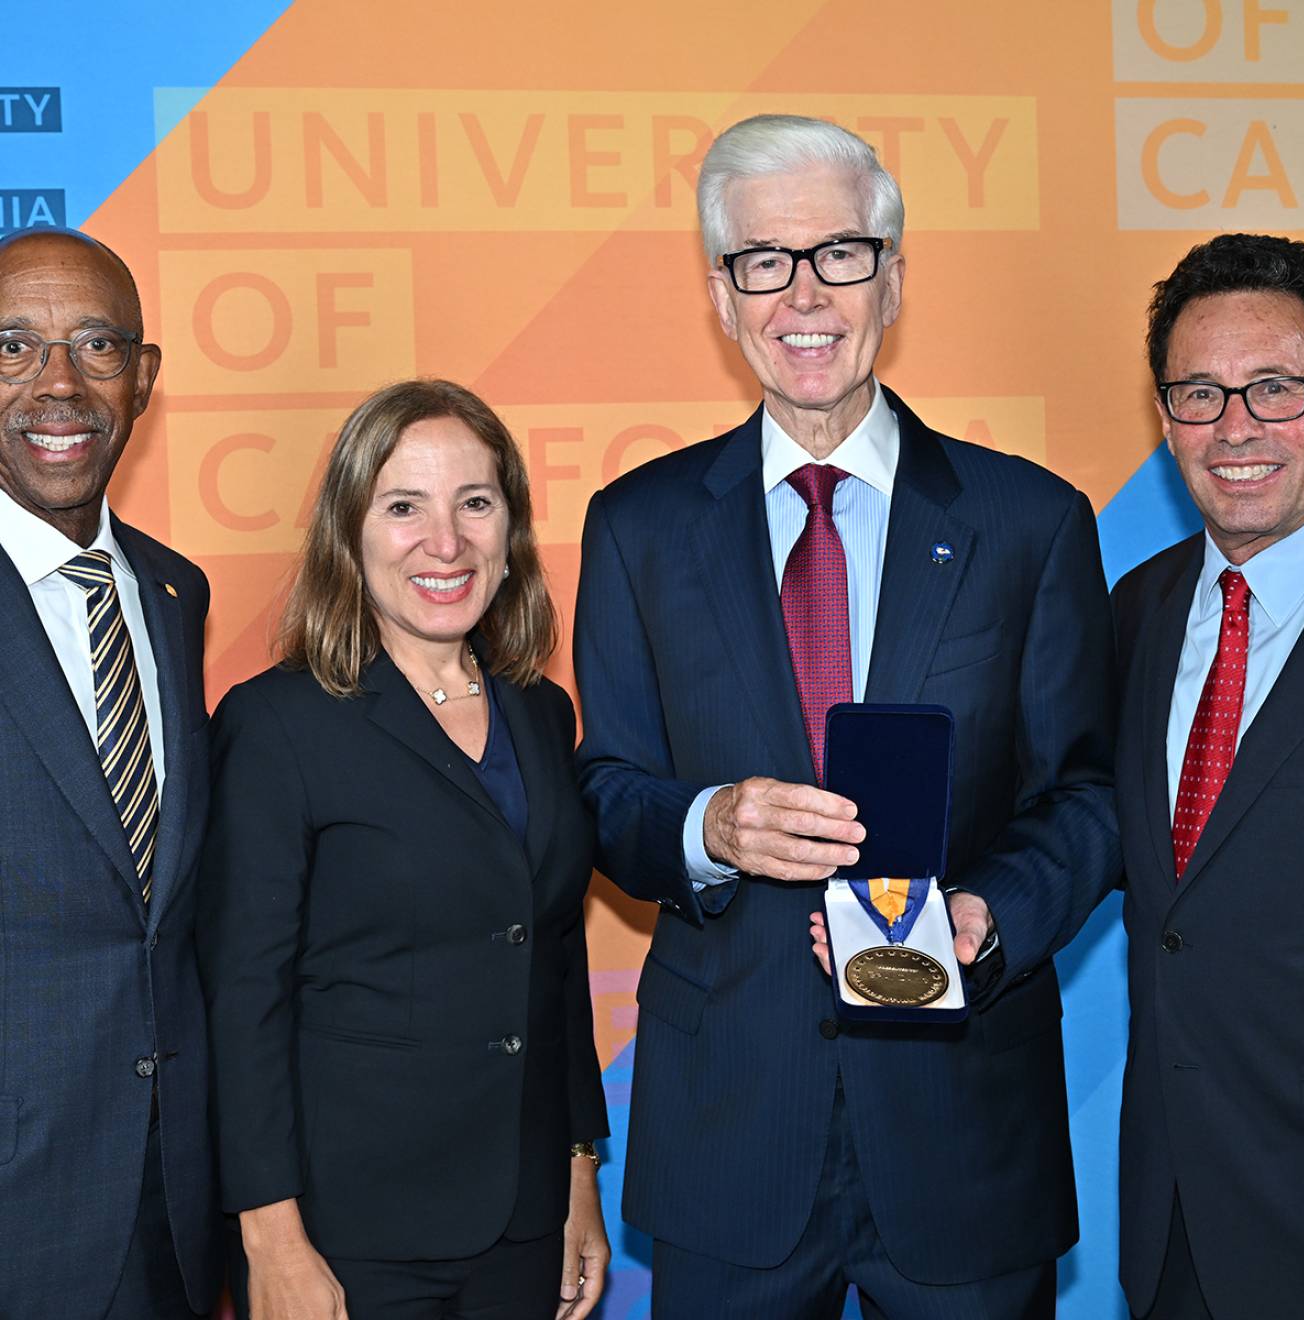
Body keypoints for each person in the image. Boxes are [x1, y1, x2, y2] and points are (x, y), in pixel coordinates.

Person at [573, 113, 1120, 1318]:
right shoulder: (638, 527)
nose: (803, 294)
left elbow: (1086, 794)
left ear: (896, 277)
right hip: (733, 1141)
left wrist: (990, 915)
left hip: (965, 1136)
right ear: (723, 296)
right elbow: (606, 794)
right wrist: (710, 825)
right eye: (763, 260)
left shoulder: (1030, 521)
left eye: (841, 253)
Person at [198, 378, 609, 1320]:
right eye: (403, 506)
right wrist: (270, 1237)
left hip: (522, 1218)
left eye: (475, 502)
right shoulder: (277, 725)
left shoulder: (542, 713)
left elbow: (551, 953)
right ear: (351, 535)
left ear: (511, 532)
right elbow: (240, 995)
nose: (445, 541)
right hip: (346, 1234)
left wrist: (579, 1168)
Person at [0, 228, 221, 1318]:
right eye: (13, 346)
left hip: (172, 1209)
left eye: (96, 345)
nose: (57, 385)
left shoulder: (176, 597)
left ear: (144, 378)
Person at [1112, 233, 1304, 1320]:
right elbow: (1092, 830)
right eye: (1199, 393)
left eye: (1275, 388)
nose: (1236, 427)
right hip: (1174, 1213)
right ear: (1163, 418)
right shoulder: (1134, 612)